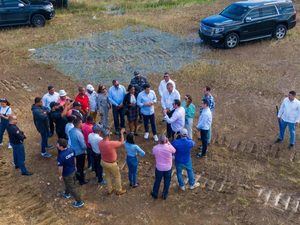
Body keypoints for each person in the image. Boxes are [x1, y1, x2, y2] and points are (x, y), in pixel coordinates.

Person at [57, 138, 84, 208]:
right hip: (73, 170)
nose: (56, 145)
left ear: (61, 146)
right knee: (69, 183)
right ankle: (67, 193)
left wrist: (60, 175)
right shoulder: (71, 149)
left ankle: (79, 201)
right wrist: (75, 166)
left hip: (67, 173)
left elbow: (60, 167)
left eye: (57, 144)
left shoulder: (61, 156)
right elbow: (74, 158)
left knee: (72, 188)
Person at [99, 128, 126, 195]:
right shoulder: (111, 143)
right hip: (112, 164)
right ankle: (119, 190)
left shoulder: (100, 143)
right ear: (108, 135)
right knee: (117, 176)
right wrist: (122, 133)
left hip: (103, 162)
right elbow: (122, 142)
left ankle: (109, 190)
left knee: (107, 176)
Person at [151, 135, 176, 200]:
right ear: (166, 140)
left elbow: (153, 153)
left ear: (159, 141)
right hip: (168, 168)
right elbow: (174, 151)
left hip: (159, 168)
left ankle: (155, 193)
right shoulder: (169, 147)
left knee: (157, 181)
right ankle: (164, 195)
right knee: (167, 181)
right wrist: (169, 143)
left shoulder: (155, 148)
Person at [69, 118, 88, 185]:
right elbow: (83, 145)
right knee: (81, 167)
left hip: (73, 151)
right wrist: (86, 148)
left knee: (77, 165)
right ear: (79, 124)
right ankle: (81, 180)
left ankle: (77, 177)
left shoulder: (71, 131)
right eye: (81, 123)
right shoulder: (79, 133)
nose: (82, 124)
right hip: (80, 153)